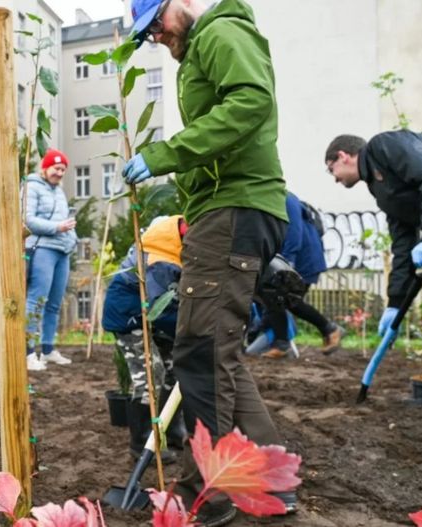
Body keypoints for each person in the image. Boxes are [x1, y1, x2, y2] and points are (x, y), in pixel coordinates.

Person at [122, 0, 296, 522]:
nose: (155, 36)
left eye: (155, 23)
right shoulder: (200, 47)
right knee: (215, 352)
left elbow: (250, 102)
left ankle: (212, 492)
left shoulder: (221, 33)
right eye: (146, 33)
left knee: (199, 352)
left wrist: (163, 155)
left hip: (234, 210)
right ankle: (267, 482)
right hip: (225, 211)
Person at [325, 131, 422, 338]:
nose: (335, 179)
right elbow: (403, 246)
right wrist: (395, 303)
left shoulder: (384, 145)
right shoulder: (382, 191)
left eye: (331, 169)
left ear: (343, 156)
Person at [102, 215, 187, 463]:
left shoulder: (179, 241)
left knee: (176, 369)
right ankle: (141, 443)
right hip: (129, 313)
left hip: (155, 313)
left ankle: (171, 429)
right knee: (150, 374)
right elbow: (161, 308)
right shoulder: (161, 260)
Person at [260, 193, 343, 358]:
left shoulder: (286, 198)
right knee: (275, 299)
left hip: (303, 259)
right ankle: (282, 343)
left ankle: (329, 329)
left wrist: (288, 262)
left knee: (288, 300)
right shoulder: (274, 197)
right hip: (297, 257)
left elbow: (294, 231)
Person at [24, 148, 77, 371]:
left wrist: (72, 239)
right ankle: (28, 352)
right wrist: (57, 227)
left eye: (63, 169)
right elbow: (27, 219)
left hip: (62, 251)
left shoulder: (59, 191)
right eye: (56, 168)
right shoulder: (31, 187)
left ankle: (47, 350)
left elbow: (66, 221)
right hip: (42, 248)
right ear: (45, 168)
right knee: (37, 300)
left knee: (54, 304)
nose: (60, 173)